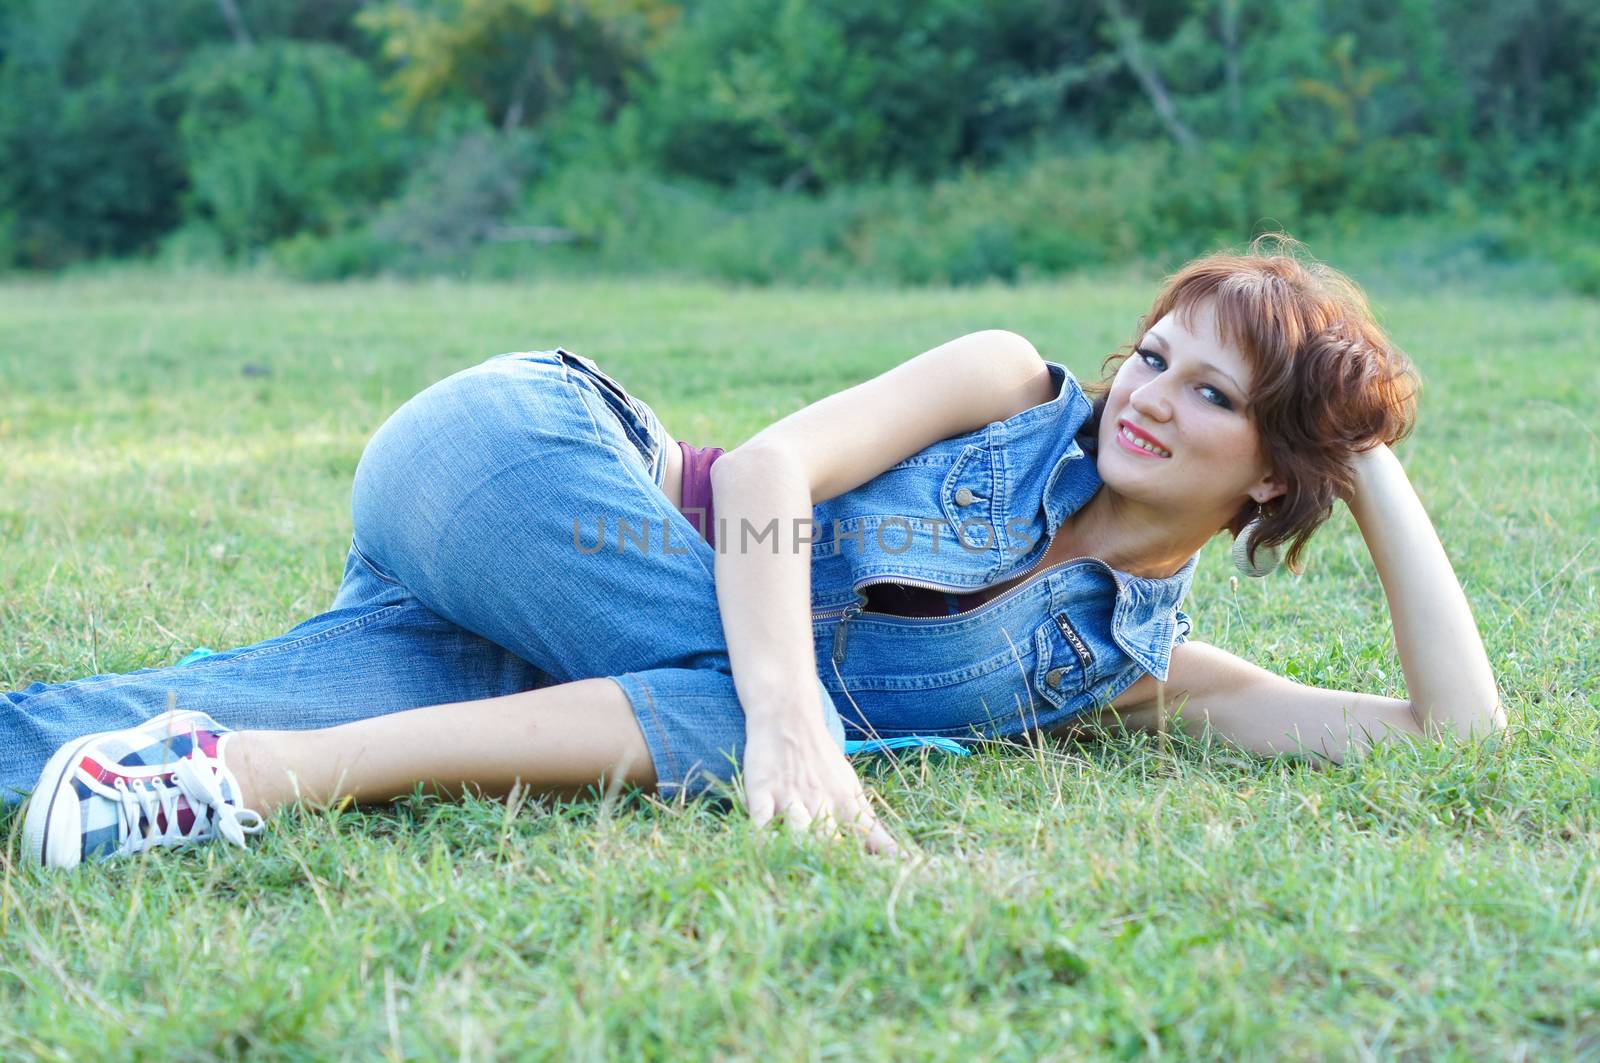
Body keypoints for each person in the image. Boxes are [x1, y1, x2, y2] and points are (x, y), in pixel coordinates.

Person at [14, 236, 1505, 868]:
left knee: (200, 715)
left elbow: (1455, 732)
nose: (1151, 398)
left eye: (1216, 394)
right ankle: (268, 784)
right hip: (535, 462)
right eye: (1154, 355)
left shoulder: (1124, 668)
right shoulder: (1008, 379)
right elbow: (773, 472)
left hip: (539, 637)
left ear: (1274, 474)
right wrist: (796, 728)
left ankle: (194, 774)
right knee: (781, 699)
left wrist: (1368, 460)